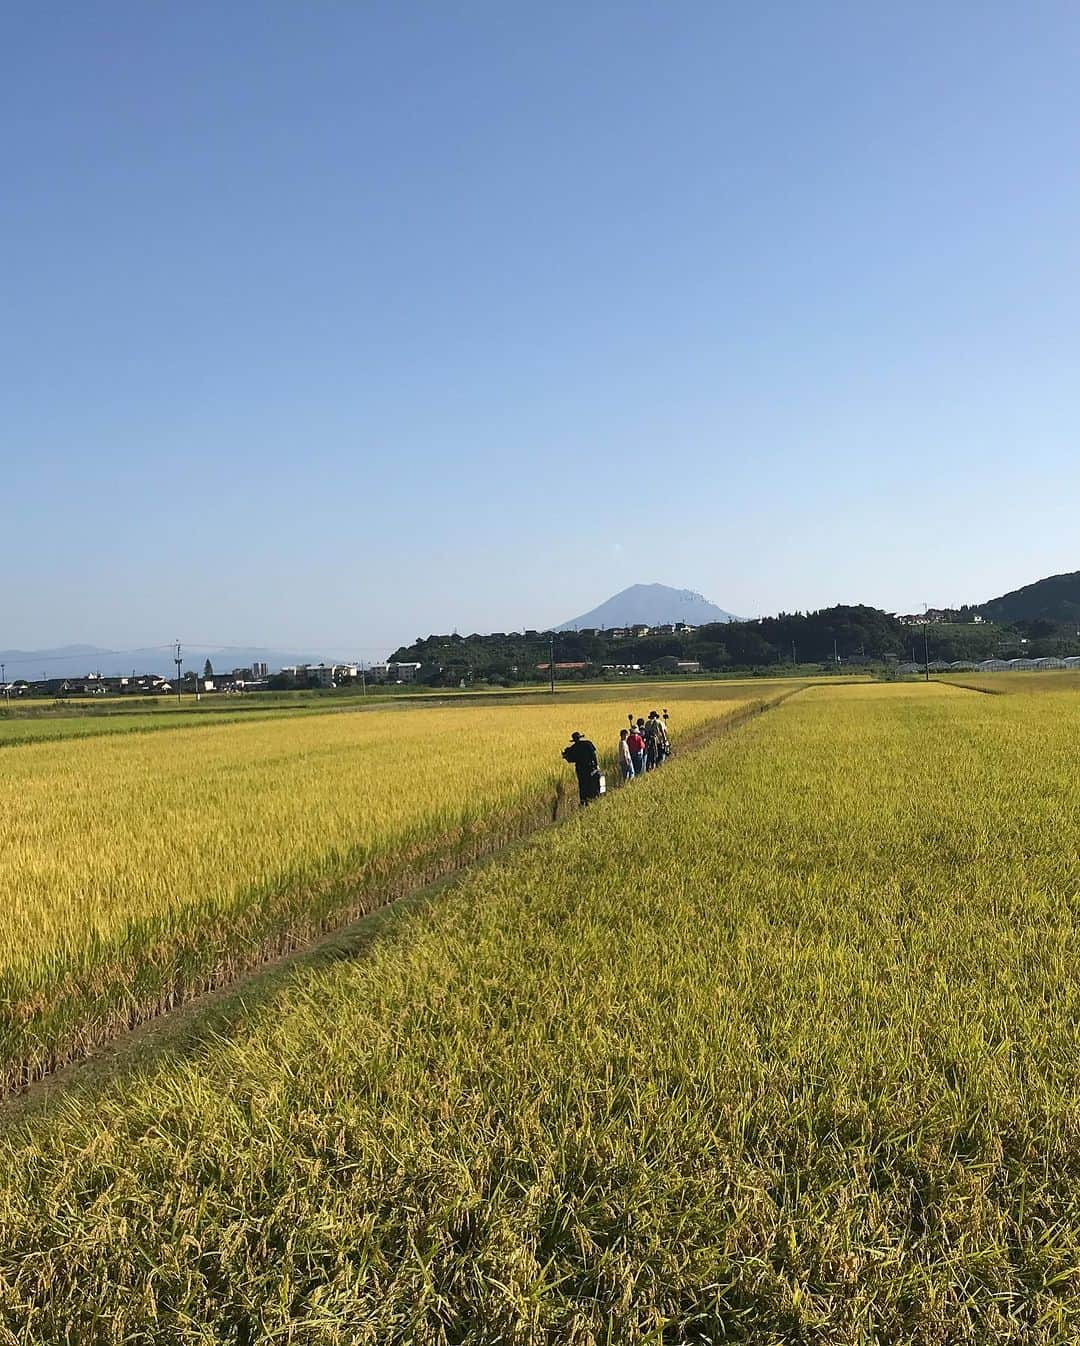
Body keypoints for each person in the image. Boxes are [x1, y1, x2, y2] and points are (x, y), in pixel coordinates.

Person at [562, 731, 601, 805]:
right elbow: (593, 754)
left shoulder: (572, 748)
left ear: (574, 740)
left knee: (582, 785)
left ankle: (583, 801)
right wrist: (596, 765)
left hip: (580, 769)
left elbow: (570, 759)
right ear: (580, 738)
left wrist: (565, 756)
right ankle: (593, 799)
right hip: (590, 767)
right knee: (592, 783)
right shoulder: (587, 743)